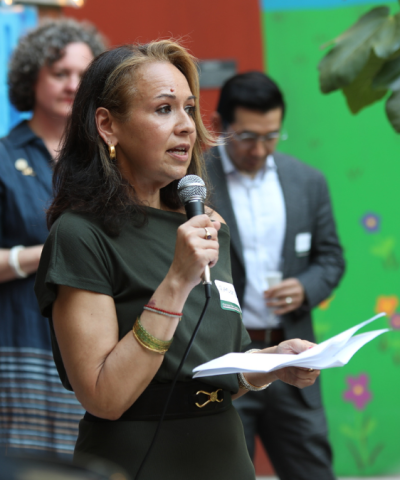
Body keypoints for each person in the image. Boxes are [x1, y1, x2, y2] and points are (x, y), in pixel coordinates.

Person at [34, 41, 320, 480]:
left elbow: (218, 371)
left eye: (189, 108)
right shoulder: (80, 235)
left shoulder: (205, 224)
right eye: (164, 109)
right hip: (134, 459)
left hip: (226, 455)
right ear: (107, 126)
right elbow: (103, 395)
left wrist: (270, 363)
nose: (187, 126)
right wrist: (177, 280)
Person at [205, 71, 345, 480]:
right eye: (248, 136)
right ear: (223, 125)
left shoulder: (307, 181)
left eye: (272, 136)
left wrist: (305, 287)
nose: (260, 148)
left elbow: (332, 258)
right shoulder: (192, 184)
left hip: (294, 356)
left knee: (313, 471)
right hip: (229, 361)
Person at [0, 19, 105, 457]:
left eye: (83, 74)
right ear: (31, 78)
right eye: (59, 73)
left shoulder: (106, 161)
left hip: (96, 344)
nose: (72, 84)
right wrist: (44, 255)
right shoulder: (4, 157)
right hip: (19, 340)